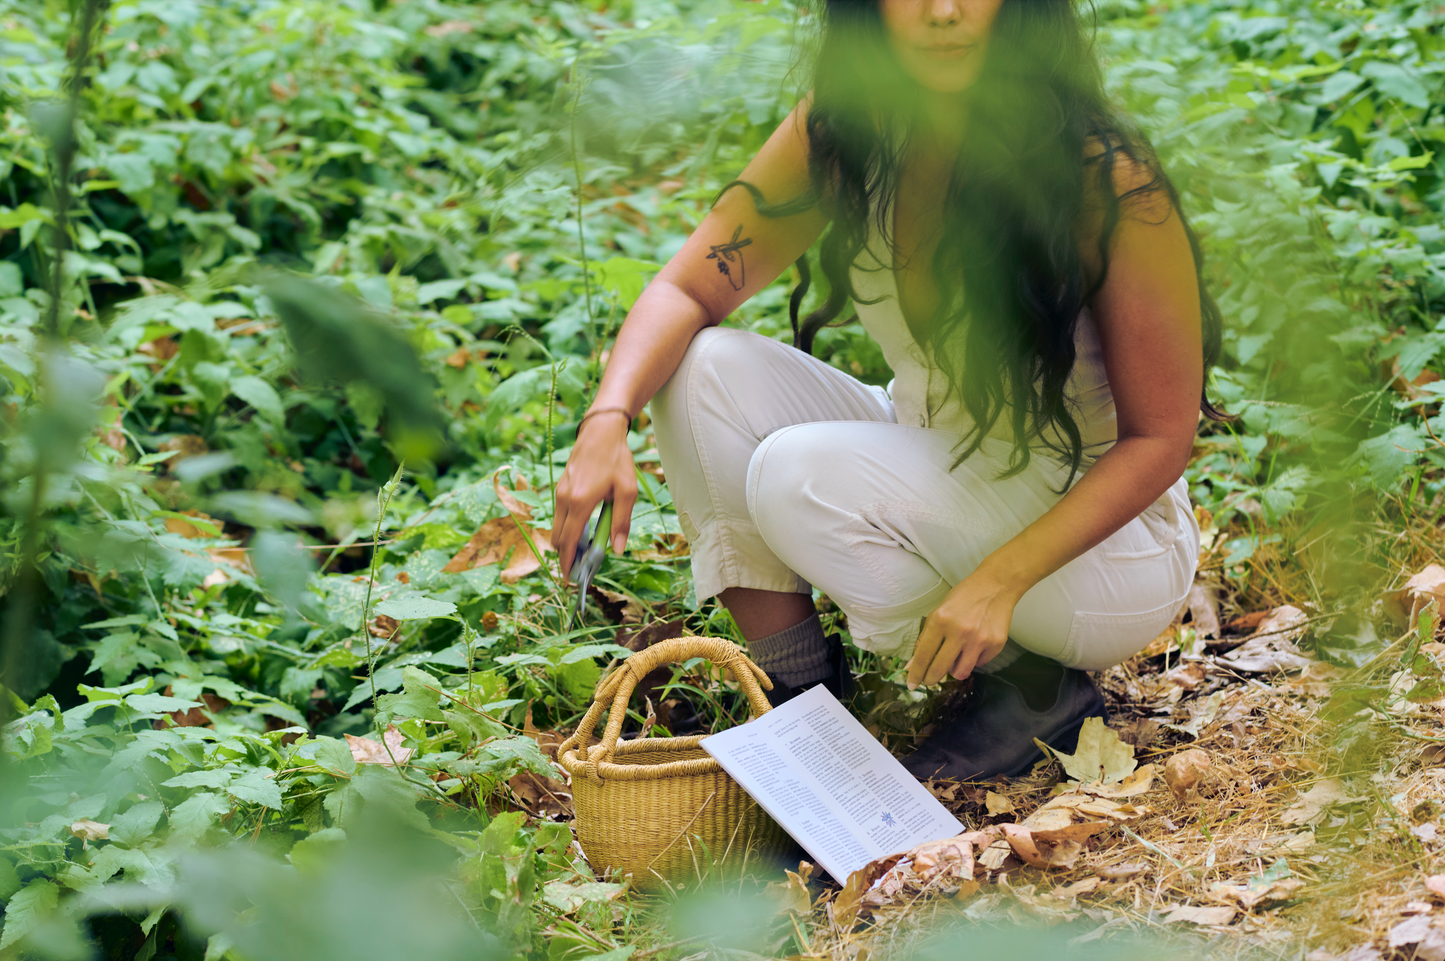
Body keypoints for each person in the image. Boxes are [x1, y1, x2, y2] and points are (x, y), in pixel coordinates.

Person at [553, 0, 1223, 781]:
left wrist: (997, 583)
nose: (943, 11)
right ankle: (800, 701)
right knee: (702, 371)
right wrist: (607, 418)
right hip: (941, 454)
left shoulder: (1100, 174)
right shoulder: (845, 132)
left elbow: (1160, 438)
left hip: (1108, 548)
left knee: (799, 472)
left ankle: (1032, 684)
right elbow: (686, 289)